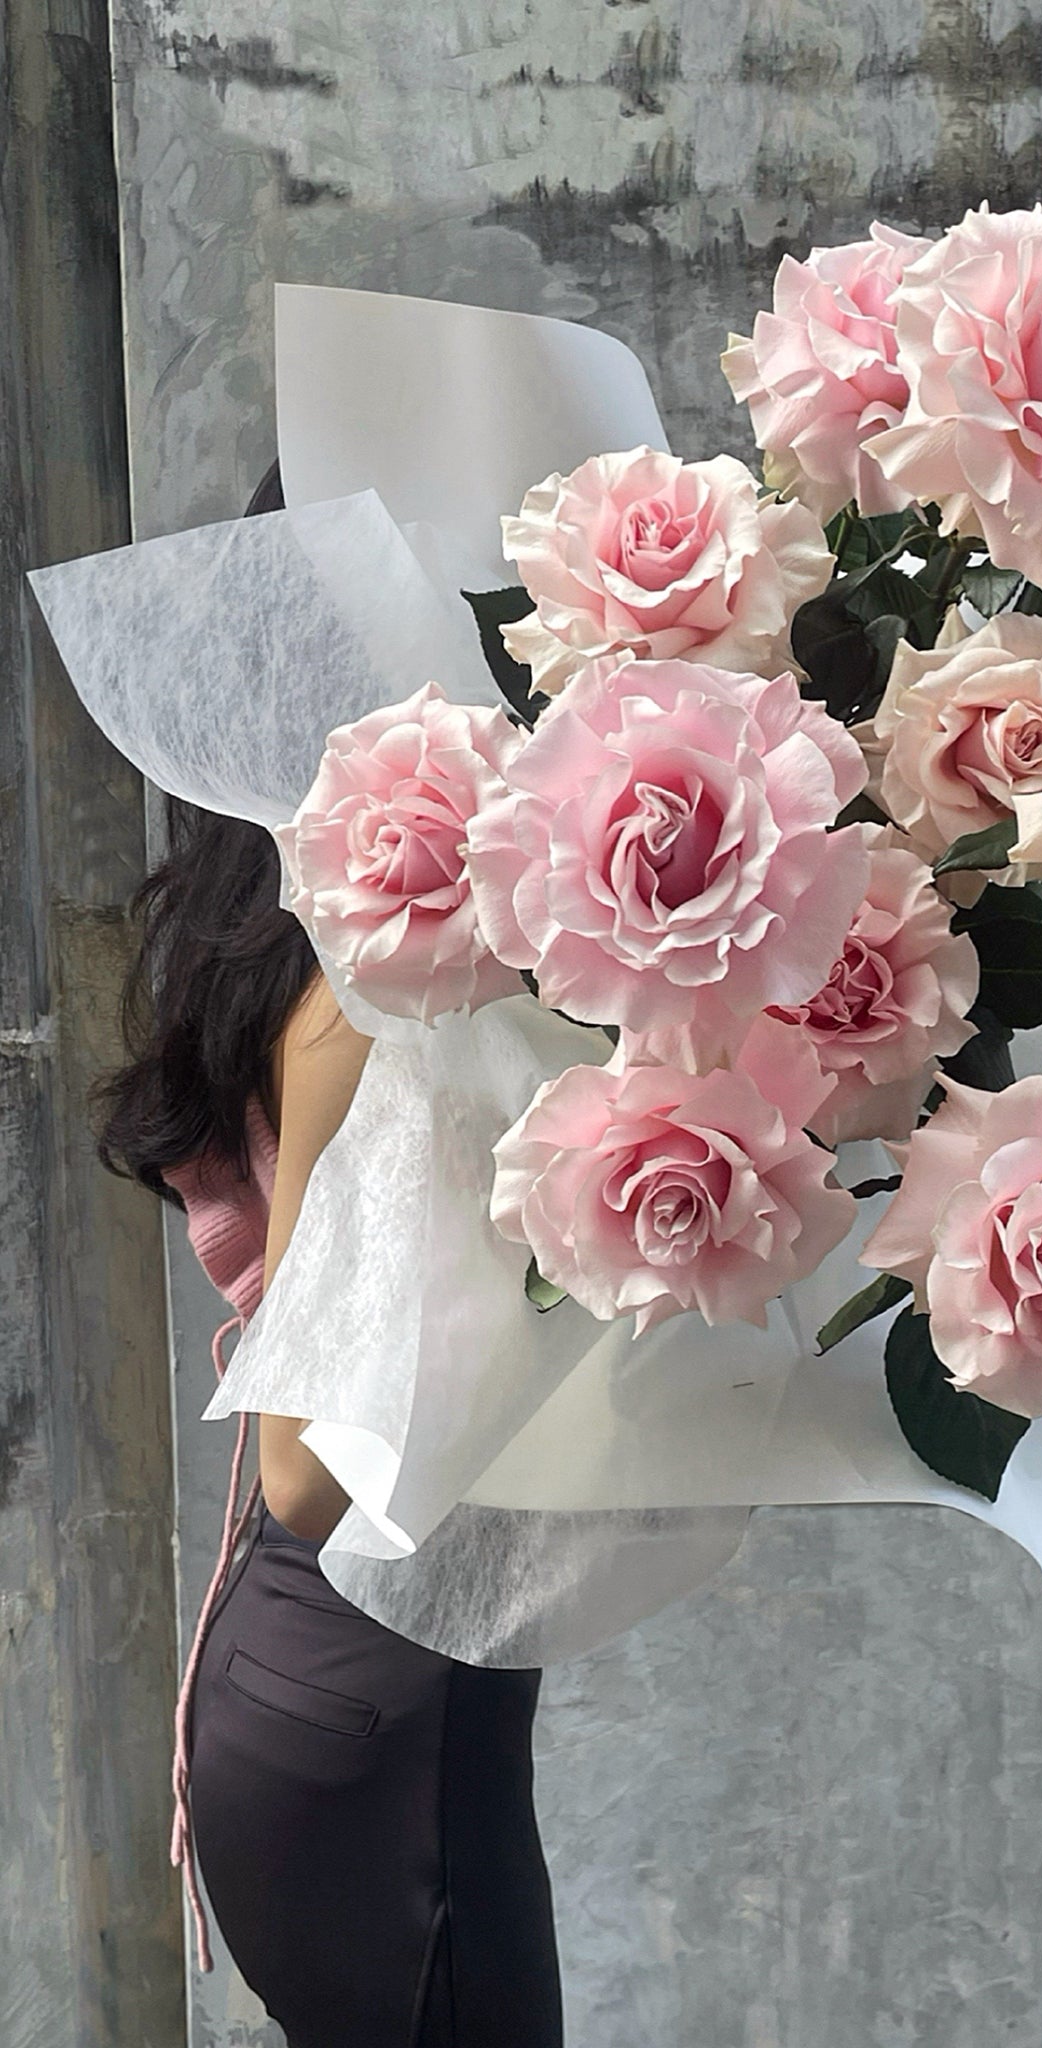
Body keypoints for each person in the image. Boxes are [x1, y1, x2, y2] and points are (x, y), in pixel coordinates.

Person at [96, 790, 564, 2048]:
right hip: (377, 1724)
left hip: (305, 1682)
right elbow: (306, 1467)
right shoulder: (352, 1013)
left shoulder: (321, 969)